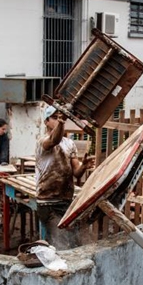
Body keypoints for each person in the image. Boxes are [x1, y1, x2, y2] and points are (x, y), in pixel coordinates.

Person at [35, 105, 94, 249]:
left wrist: (84, 166)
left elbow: (76, 172)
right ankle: (57, 269)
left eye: (60, 118)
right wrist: (61, 122)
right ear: (46, 122)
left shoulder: (69, 144)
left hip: (65, 200)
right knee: (59, 244)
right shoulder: (42, 141)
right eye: (54, 118)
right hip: (48, 202)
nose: (58, 121)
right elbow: (54, 140)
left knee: (76, 241)